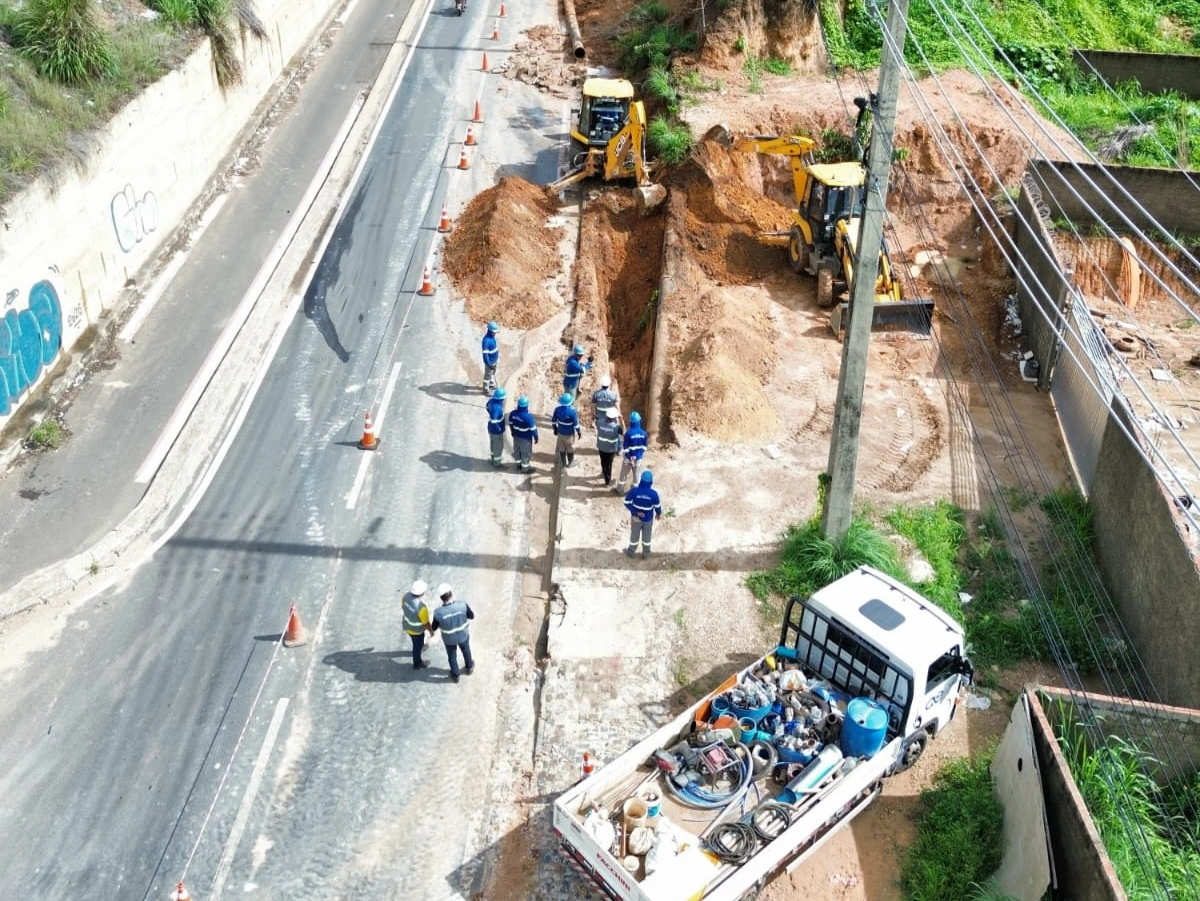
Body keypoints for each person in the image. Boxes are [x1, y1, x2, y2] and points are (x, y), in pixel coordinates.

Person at [430, 583, 475, 682]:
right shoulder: (462, 605)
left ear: (441, 598)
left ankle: (456, 675)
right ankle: (469, 667)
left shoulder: (438, 612)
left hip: (449, 639)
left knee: (452, 656)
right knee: (466, 650)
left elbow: (434, 627)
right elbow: (472, 616)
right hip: (463, 635)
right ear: (452, 593)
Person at [624, 470, 662, 559]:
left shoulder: (634, 491)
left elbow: (626, 502)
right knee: (647, 536)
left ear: (641, 480)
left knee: (634, 534)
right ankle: (646, 554)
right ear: (651, 482)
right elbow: (657, 506)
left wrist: (635, 511)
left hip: (636, 518)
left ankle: (631, 552)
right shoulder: (653, 494)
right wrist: (658, 514)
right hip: (648, 519)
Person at [401, 579, 432, 669]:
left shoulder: (405, 596)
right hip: (417, 632)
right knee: (416, 647)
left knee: (415, 642)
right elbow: (426, 624)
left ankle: (420, 646)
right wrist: (431, 631)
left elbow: (403, 607)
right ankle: (417, 663)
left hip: (407, 626)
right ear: (422, 593)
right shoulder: (421, 608)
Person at [615, 410, 648, 493]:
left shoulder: (628, 433)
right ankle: (634, 491)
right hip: (638, 458)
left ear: (631, 422)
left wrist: (630, 458)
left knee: (623, 475)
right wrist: (637, 456)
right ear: (639, 421)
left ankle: (620, 490)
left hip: (628, 458)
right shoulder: (644, 433)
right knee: (636, 475)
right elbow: (644, 447)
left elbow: (625, 448)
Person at [508, 395, 539, 473]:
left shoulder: (513, 413)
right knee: (525, 453)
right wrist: (536, 437)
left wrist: (512, 432)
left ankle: (518, 465)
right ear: (526, 406)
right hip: (525, 439)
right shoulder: (528, 418)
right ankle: (525, 468)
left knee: (517, 451)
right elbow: (533, 430)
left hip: (516, 436)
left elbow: (510, 423)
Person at [551, 393, 582, 468]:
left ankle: (563, 463)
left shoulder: (557, 409)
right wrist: (579, 432)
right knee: (570, 448)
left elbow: (553, 421)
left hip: (560, 433)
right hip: (569, 434)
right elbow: (576, 424)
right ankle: (570, 463)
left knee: (562, 448)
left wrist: (555, 429)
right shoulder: (572, 412)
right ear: (570, 402)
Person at [595, 407, 624, 486]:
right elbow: (624, 432)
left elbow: (597, 422)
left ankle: (604, 473)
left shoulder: (599, 422)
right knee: (609, 464)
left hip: (601, 447)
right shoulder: (616, 427)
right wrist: (622, 420)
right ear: (615, 417)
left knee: (603, 462)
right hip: (611, 449)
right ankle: (607, 481)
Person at [486, 387, 507, 467]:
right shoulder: (497, 408)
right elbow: (494, 420)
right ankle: (497, 463)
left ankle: (493, 458)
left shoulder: (491, 401)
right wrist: (499, 429)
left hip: (491, 429)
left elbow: (487, 407)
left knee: (493, 444)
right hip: (496, 432)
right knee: (498, 446)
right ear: (501, 399)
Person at [481, 322, 499, 392]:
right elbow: (485, 355)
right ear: (489, 331)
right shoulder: (486, 341)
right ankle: (485, 389)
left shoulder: (492, 337)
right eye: (494, 332)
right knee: (487, 376)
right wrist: (488, 364)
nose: (495, 333)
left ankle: (491, 384)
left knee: (492, 373)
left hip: (494, 361)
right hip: (490, 362)